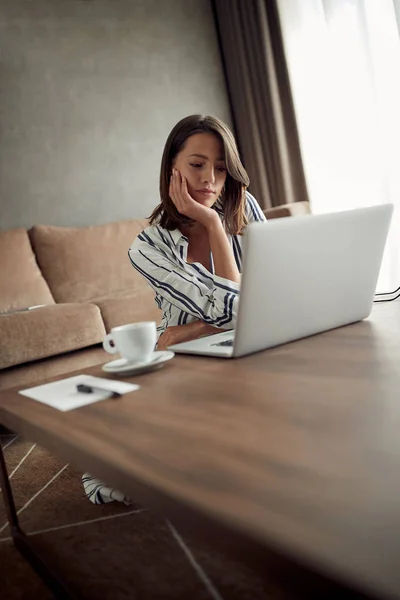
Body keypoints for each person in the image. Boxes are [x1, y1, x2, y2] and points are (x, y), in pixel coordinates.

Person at [82, 114, 266, 504]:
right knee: (110, 463)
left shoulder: (246, 206)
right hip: (189, 363)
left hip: (248, 344)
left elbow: (267, 301)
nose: (210, 180)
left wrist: (187, 330)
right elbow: (238, 308)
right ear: (172, 169)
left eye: (220, 168)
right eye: (197, 165)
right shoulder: (147, 248)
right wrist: (214, 226)